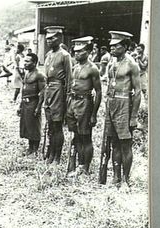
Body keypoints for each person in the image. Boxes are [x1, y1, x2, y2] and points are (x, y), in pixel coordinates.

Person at [100, 31, 141, 186]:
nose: (112, 49)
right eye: (111, 46)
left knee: (125, 143)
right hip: (111, 103)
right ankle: (116, 178)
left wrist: (134, 116)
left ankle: (126, 179)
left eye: (116, 46)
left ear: (124, 46)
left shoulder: (131, 64)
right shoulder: (112, 63)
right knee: (114, 142)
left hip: (125, 104)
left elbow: (137, 92)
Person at [67, 36, 102, 175]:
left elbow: (98, 91)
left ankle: (85, 167)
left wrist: (94, 114)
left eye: (80, 51)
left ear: (88, 51)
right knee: (76, 135)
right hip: (73, 102)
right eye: (75, 51)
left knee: (85, 136)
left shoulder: (92, 69)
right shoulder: (75, 67)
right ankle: (78, 164)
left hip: (85, 103)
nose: (77, 54)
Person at [43, 26, 72, 164]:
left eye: (52, 37)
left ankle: (57, 156)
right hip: (49, 91)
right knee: (50, 124)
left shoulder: (65, 56)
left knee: (57, 125)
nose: (49, 40)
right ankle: (51, 152)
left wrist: (66, 100)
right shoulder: (48, 55)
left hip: (59, 92)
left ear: (60, 38)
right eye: (47, 38)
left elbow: (70, 79)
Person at [17, 53, 46, 155]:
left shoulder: (39, 75)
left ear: (34, 63)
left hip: (33, 103)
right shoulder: (27, 74)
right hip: (25, 103)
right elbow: (23, 91)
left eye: (28, 61)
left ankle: (35, 148)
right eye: (24, 61)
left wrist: (38, 107)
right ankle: (30, 147)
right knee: (27, 125)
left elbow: (42, 92)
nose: (25, 63)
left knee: (34, 125)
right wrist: (20, 105)